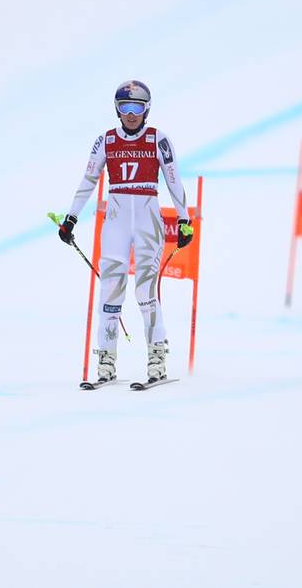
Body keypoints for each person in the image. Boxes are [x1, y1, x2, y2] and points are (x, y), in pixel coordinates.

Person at [57, 80, 193, 384]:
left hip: (148, 220)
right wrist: (71, 219)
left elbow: (174, 182)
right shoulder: (105, 141)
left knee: (146, 290)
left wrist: (185, 220)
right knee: (111, 289)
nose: (131, 114)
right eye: (124, 108)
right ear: (117, 110)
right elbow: (88, 180)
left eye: (137, 108)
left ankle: (157, 357)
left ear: (147, 110)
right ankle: (106, 361)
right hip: (116, 221)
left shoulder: (159, 140)